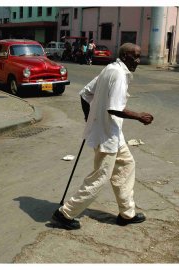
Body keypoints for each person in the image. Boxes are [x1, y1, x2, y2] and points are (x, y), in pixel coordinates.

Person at [52, 43, 154, 230]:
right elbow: (114, 108)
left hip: (111, 132)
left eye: (139, 56)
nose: (138, 61)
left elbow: (85, 94)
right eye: (135, 57)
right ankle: (65, 214)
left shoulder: (110, 68)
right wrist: (139, 116)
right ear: (124, 56)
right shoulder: (118, 74)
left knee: (126, 164)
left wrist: (90, 119)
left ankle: (127, 213)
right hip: (107, 135)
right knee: (100, 176)